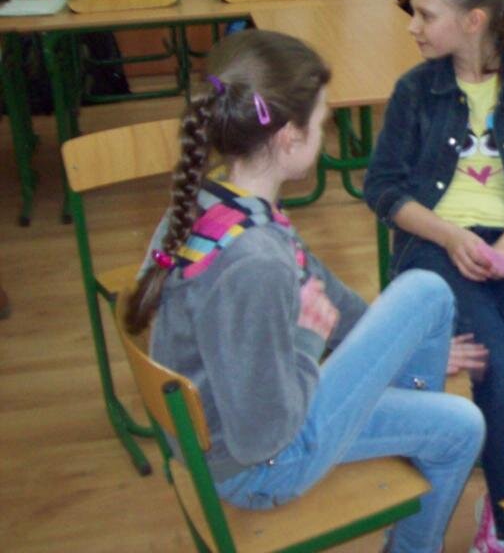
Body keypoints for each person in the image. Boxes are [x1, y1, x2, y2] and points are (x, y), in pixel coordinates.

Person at [124, 30, 485, 553]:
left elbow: (320, 287)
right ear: (289, 137)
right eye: (322, 122)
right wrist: (307, 340)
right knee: (460, 429)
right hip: (259, 466)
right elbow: (262, 435)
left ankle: (410, 425)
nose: (326, 133)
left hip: (236, 423)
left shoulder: (219, 201)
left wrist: (391, 350)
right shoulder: (255, 263)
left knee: (427, 294)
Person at [364, 0, 504, 553]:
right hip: (433, 244)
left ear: (473, 21)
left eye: (426, 15)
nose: (413, 26)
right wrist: (452, 237)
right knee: (497, 362)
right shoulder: (416, 90)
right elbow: (383, 189)